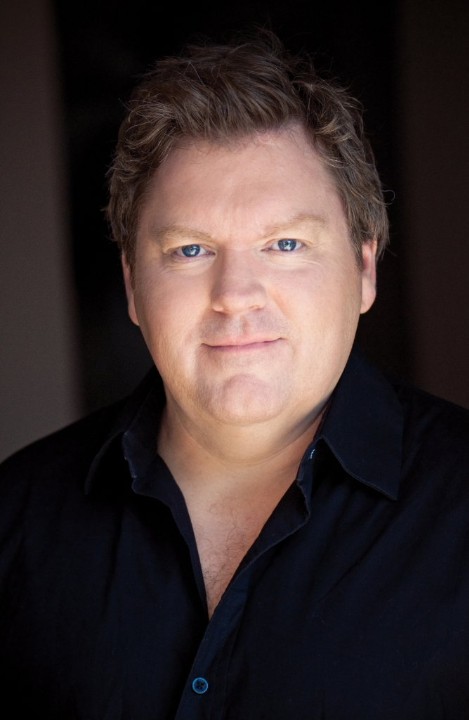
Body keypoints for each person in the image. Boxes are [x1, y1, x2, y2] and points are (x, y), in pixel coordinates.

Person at [0, 28, 468, 720]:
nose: (236, 294)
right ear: (132, 285)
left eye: (286, 243)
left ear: (364, 268)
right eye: (191, 250)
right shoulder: (16, 520)